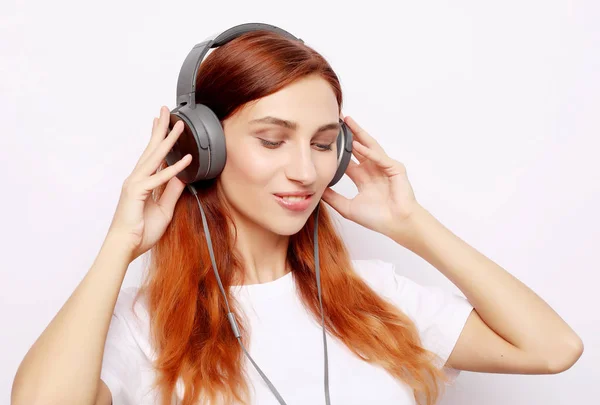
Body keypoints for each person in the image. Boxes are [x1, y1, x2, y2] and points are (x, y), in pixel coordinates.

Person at [11, 27, 583, 405]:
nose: (305, 172)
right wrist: (120, 244)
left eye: (321, 144)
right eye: (272, 139)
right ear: (204, 147)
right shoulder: (145, 325)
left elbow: (553, 349)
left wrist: (412, 224)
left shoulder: (375, 296)